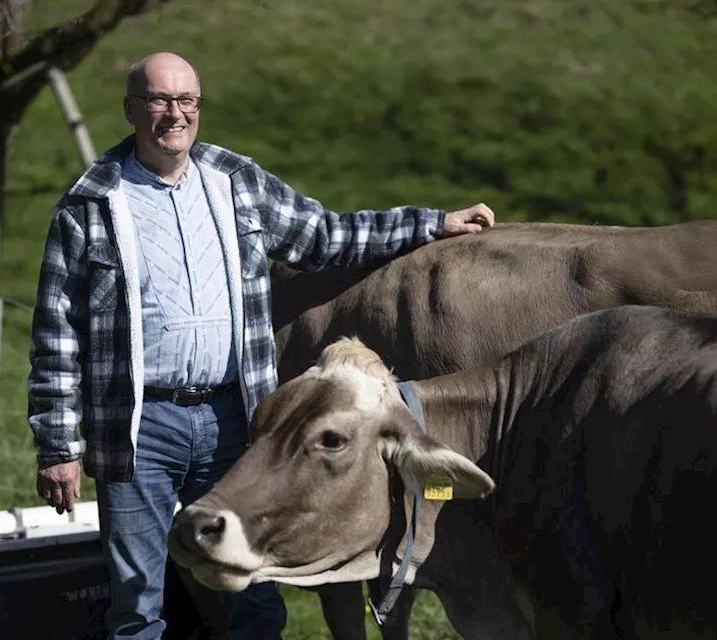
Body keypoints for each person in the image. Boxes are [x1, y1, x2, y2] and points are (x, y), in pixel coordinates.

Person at [26, 51, 495, 640]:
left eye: (186, 101)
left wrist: (430, 224)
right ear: (131, 109)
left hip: (235, 419)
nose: (175, 114)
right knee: (136, 602)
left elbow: (326, 236)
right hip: (138, 425)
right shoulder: (89, 205)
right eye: (158, 100)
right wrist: (57, 446)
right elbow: (55, 333)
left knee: (255, 596)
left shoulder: (234, 182)